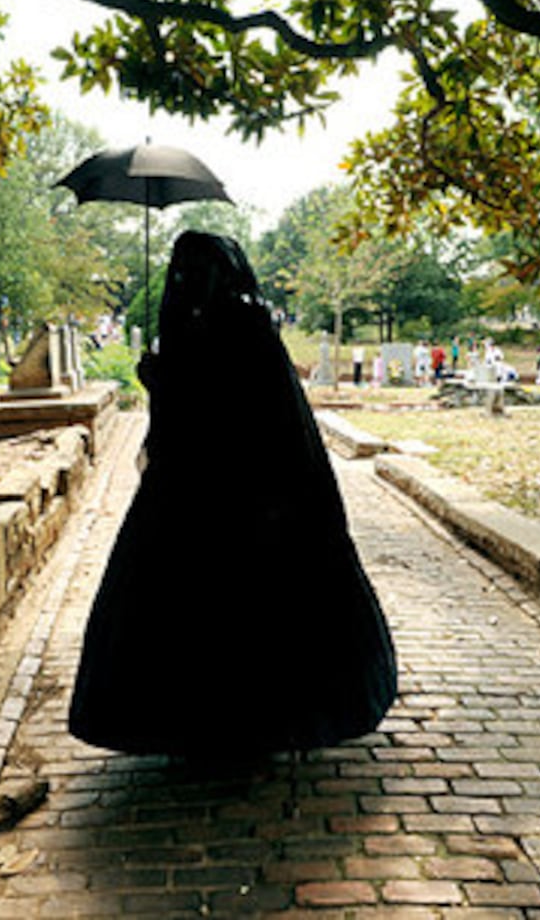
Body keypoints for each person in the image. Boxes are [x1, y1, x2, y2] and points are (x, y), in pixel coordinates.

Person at [69, 231, 398, 756]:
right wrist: (162, 379)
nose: (188, 284)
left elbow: (257, 418)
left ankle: (246, 723)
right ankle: (207, 724)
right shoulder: (202, 328)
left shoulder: (244, 329)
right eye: (183, 273)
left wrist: (170, 379)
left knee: (241, 615)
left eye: (197, 272)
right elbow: (184, 421)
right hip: (200, 500)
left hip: (249, 500)